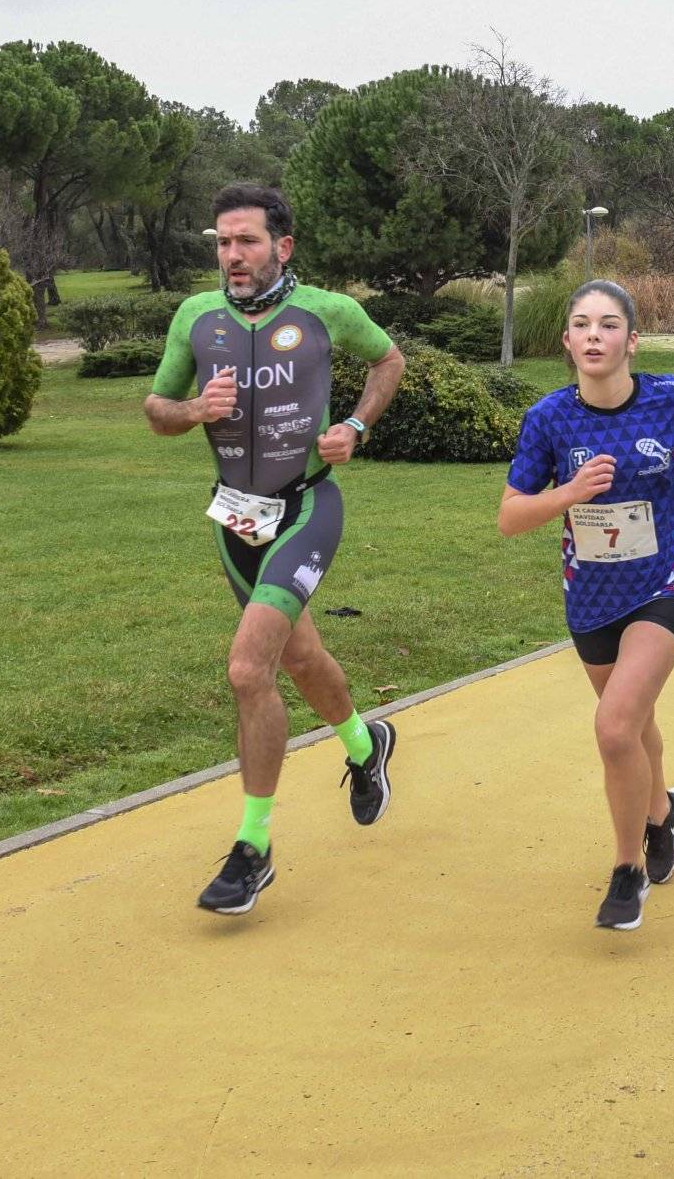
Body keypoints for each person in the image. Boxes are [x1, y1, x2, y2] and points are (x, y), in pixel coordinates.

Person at [145, 183, 407, 916]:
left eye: (247, 241)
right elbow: (156, 408)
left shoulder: (326, 312)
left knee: (246, 666)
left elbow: (390, 361)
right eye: (222, 242)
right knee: (297, 657)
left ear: (282, 248)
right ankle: (365, 743)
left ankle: (252, 847)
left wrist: (355, 427)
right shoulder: (196, 318)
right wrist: (194, 408)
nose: (232, 255)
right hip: (236, 521)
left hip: (306, 507)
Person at [499, 280, 674, 932]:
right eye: (581, 324)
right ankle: (661, 814)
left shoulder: (666, 396)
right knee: (634, 723)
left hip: (666, 584)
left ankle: (627, 871)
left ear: (632, 339)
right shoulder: (549, 418)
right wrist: (567, 492)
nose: (593, 335)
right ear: (568, 341)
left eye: (607, 324)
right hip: (593, 599)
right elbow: (511, 517)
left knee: (613, 725)